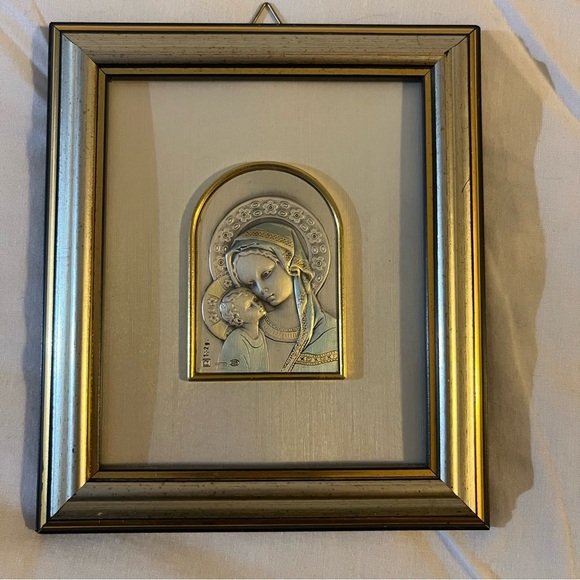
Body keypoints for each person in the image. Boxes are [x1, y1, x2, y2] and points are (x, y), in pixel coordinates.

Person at [225, 222, 338, 372]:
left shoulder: (331, 332)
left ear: (290, 265)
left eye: (266, 274)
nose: (261, 290)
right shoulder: (248, 336)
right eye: (251, 284)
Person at [217, 288, 269, 372]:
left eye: (255, 300)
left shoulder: (261, 334)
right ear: (238, 320)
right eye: (250, 306)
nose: (258, 305)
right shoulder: (236, 340)